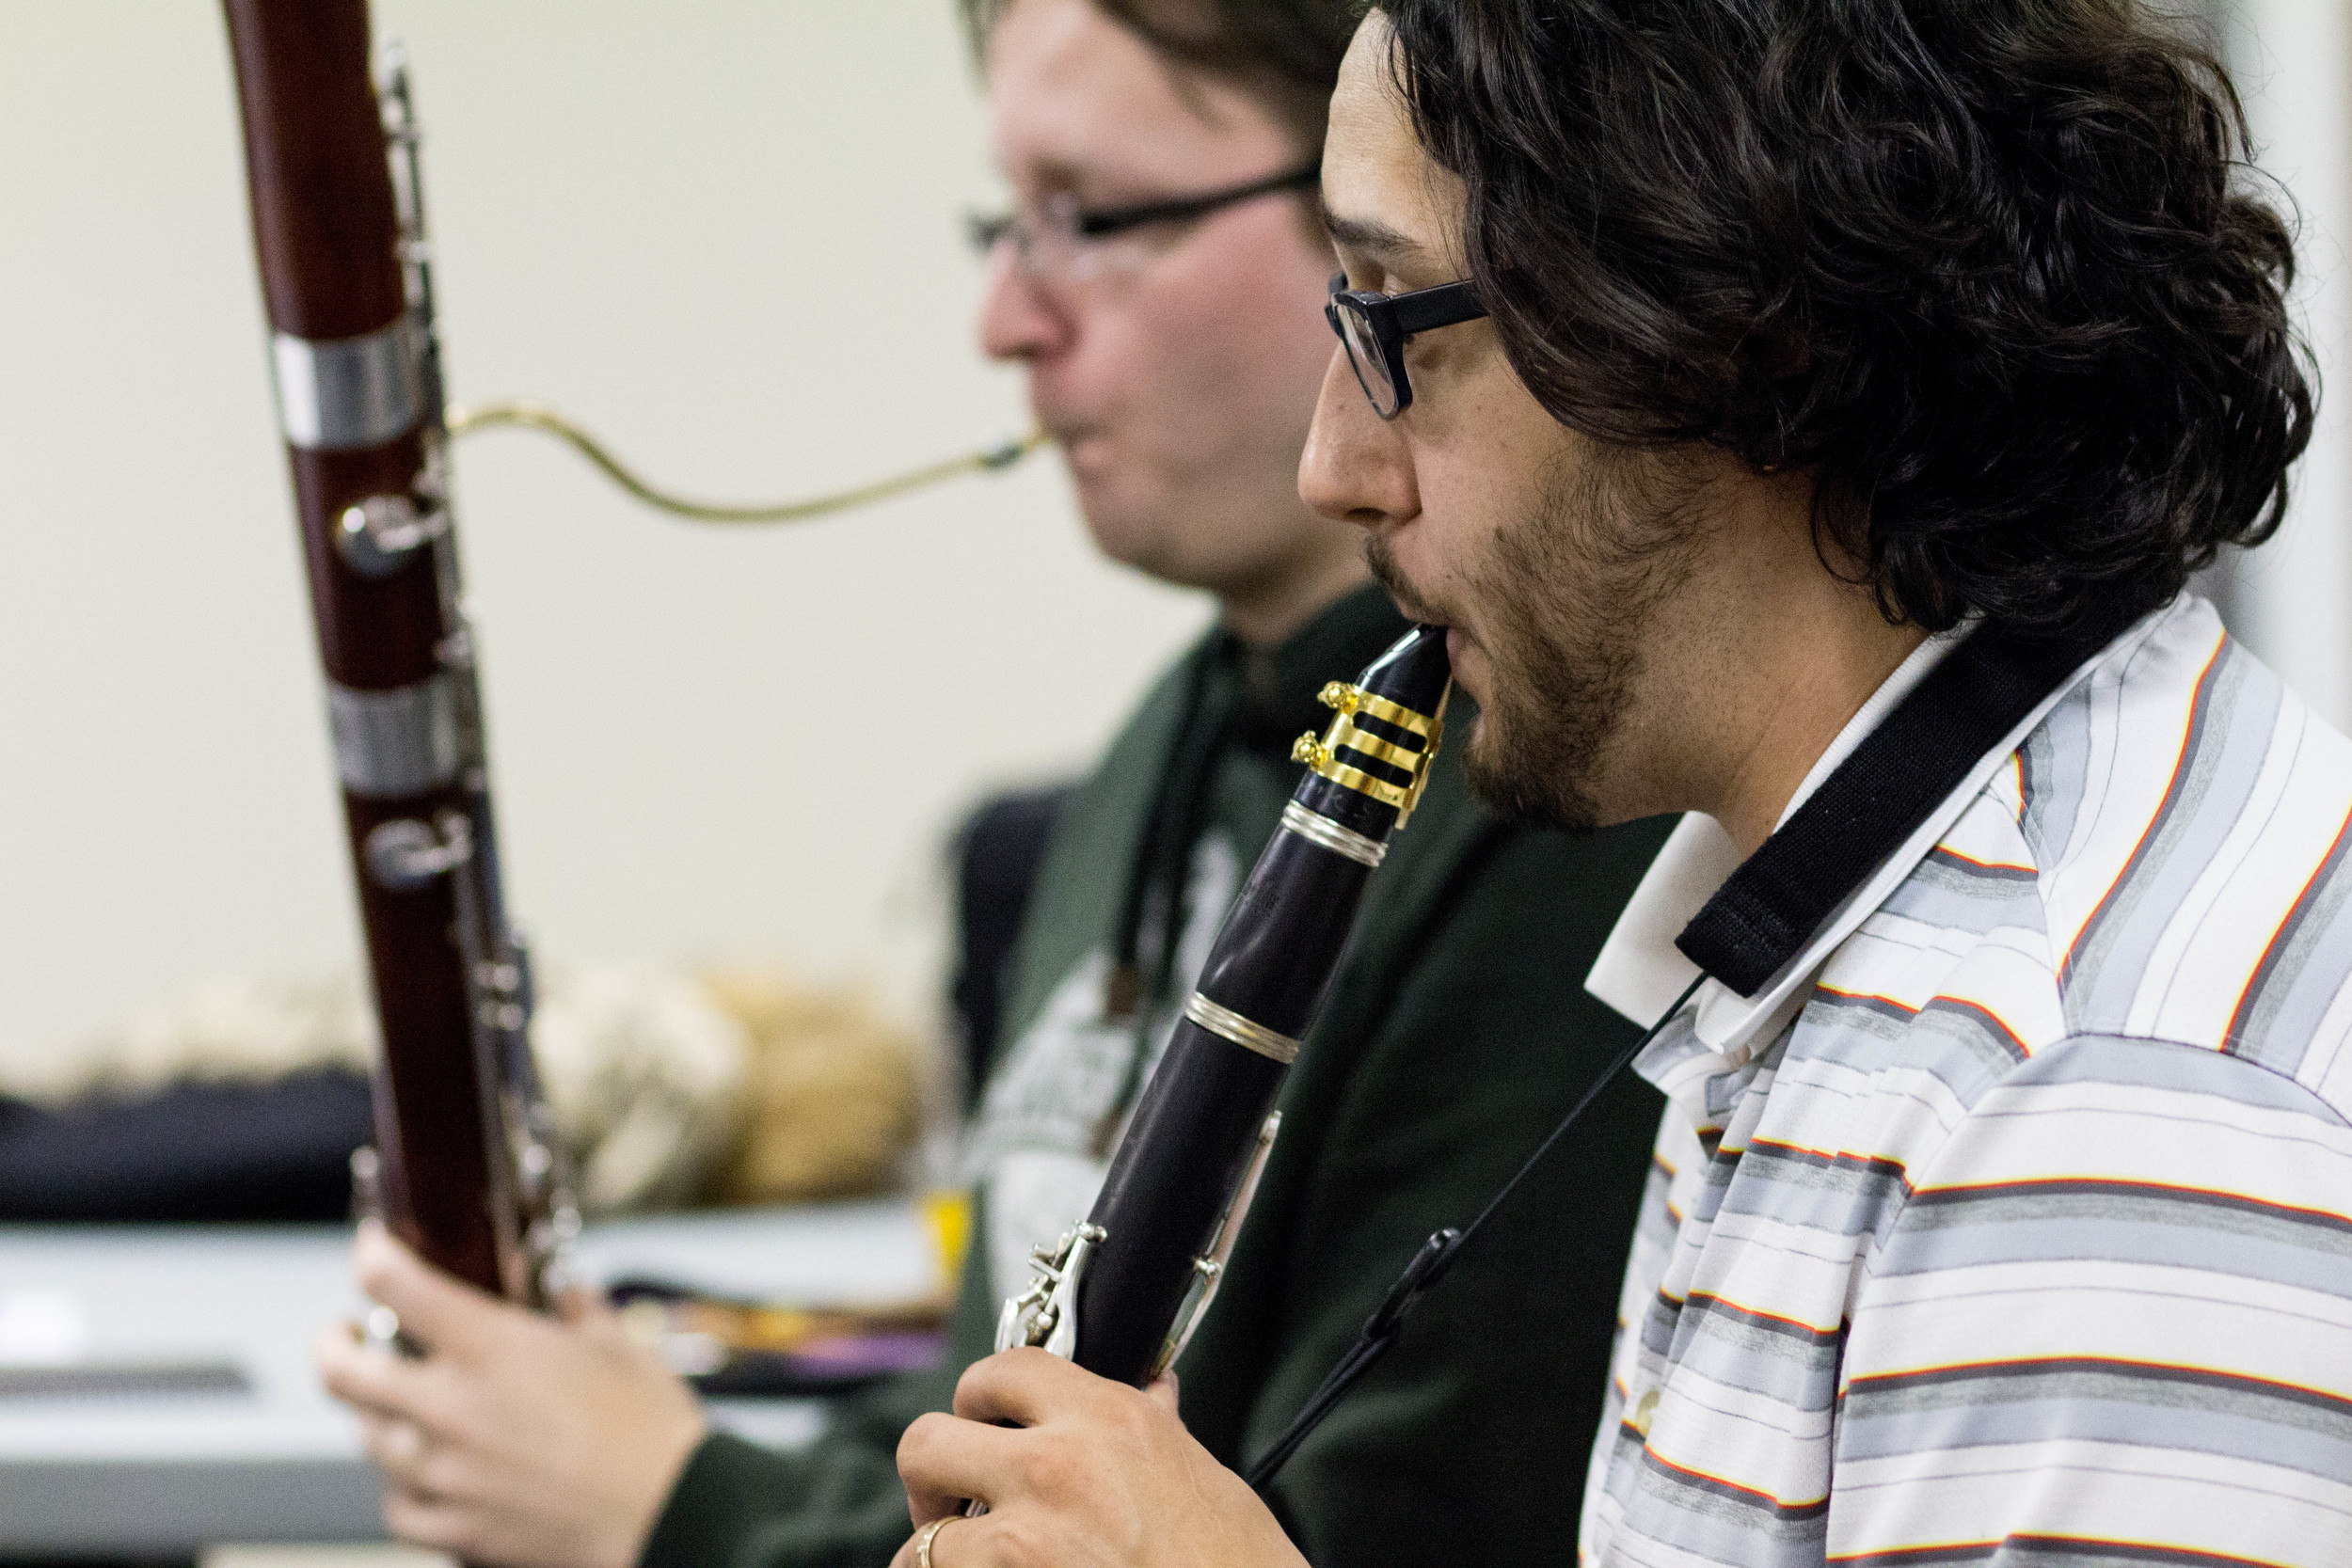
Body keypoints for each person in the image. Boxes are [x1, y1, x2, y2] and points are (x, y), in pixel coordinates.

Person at [887, 4, 2352, 1565]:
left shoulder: (2096, 1112)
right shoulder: (1820, 919)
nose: (1334, 468)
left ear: (1731, 329)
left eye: (1391, 324)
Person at [313, 4, 1675, 1566]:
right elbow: (1008, 1427)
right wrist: (640, 1426)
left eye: (1091, 218)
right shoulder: (1164, 746)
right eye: (1002, 222)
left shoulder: (1561, 796)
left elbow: (1350, 1533)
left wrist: (673, 1508)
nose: (1007, 320)